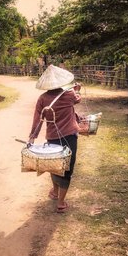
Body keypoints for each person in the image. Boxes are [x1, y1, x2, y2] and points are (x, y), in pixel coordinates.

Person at [28, 64, 81, 213]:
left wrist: (33, 136)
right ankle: (61, 202)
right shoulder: (69, 95)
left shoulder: (42, 99)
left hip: (52, 138)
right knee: (66, 168)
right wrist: (76, 89)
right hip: (69, 137)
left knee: (54, 165)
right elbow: (78, 99)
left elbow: (37, 119)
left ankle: (55, 192)